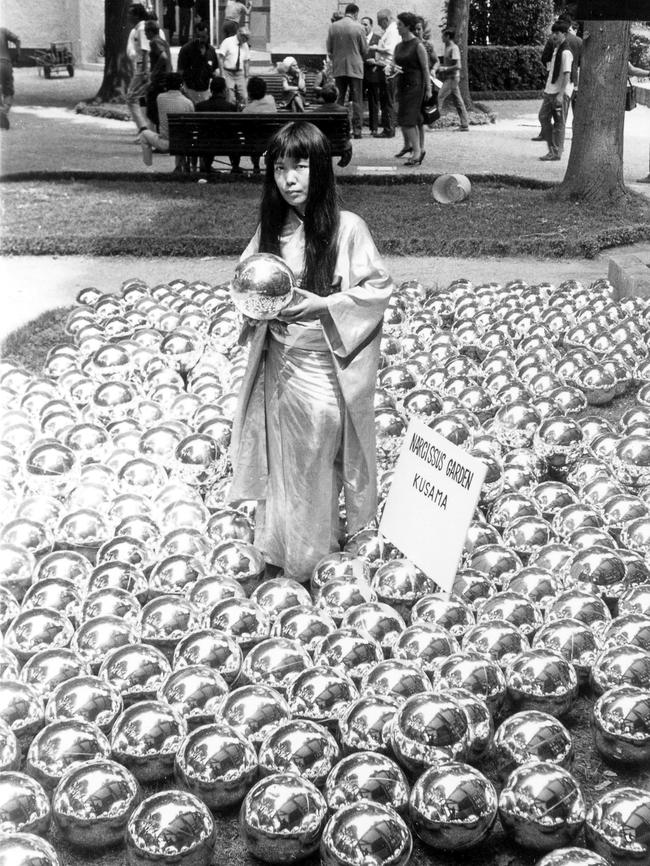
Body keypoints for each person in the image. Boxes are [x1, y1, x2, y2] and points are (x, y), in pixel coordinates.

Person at [228, 120, 393, 583]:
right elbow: (248, 281)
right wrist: (257, 309)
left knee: (315, 454)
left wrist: (326, 305)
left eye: (300, 167)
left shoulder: (349, 229)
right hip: (280, 363)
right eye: (280, 169)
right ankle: (281, 545)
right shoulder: (271, 228)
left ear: (319, 167)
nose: (289, 180)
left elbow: (377, 290)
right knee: (282, 460)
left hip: (323, 365)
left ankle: (311, 557)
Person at [532, 13, 582, 140]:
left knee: (551, 114)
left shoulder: (553, 40)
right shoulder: (578, 41)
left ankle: (546, 134)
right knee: (574, 111)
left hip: (558, 82)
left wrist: (552, 71)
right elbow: (582, 61)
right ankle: (576, 135)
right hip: (574, 80)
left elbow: (544, 58)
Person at [393, 12, 430, 165]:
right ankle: (418, 150)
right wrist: (391, 71)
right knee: (410, 119)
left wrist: (428, 89)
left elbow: (425, 68)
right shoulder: (398, 46)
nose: (397, 27)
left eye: (400, 25)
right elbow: (396, 65)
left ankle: (417, 152)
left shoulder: (418, 45)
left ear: (408, 26)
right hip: (402, 84)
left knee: (407, 120)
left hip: (415, 85)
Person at [326, 2, 367, 139]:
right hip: (355, 67)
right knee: (357, 100)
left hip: (339, 66)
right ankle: (357, 130)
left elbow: (329, 49)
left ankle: (339, 128)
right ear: (355, 13)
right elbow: (364, 50)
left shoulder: (333, 27)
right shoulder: (359, 27)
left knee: (339, 99)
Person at [140, 72, 194, 171]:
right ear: (181, 85)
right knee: (181, 134)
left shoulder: (160, 98)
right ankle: (179, 166)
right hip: (182, 143)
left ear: (166, 85)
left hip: (165, 142)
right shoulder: (188, 103)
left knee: (144, 134)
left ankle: (148, 166)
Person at [538, 20, 573, 161]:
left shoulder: (565, 52)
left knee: (559, 122)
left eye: (557, 33)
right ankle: (553, 148)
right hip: (550, 91)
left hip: (560, 93)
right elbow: (552, 72)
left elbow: (567, 74)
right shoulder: (556, 49)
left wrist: (560, 93)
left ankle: (556, 151)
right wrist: (547, 89)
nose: (554, 36)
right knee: (543, 117)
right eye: (553, 33)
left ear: (564, 34)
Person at [195, 75, 241, 174]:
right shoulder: (231, 108)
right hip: (228, 144)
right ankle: (235, 166)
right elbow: (235, 128)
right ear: (224, 90)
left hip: (205, 143)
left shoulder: (200, 106)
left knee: (207, 135)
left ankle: (207, 166)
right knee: (234, 137)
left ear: (211, 90)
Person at [370, 8, 400, 138]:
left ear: (386, 19)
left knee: (387, 100)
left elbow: (390, 50)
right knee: (386, 99)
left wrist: (376, 48)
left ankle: (389, 129)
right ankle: (388, 127)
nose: (378, 24)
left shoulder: (392, 31)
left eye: (379, 21)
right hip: (385, 68)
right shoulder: (390, 30)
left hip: (388, 70)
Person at [126, 3, 154, 136]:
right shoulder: (139, 28)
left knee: (131, 97)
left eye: (130, 14)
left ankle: (143, 129)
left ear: (136, 15)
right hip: (142, 66)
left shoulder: (142, 29)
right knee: (145, 98)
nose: (128, 16)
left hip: (142, 67)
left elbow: (145, 51)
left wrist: (143, 72)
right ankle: (148, 128)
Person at [177, 22, 219, 104]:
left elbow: (214, 71)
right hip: (189, 91)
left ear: (208, 36)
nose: (200, 40)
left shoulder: (211, 51)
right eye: (198, 36)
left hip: (205, 91)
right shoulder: (186, 49)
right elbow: (180, 71)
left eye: (203, 37)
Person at [243, 76, 277, 174]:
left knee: (253, 137)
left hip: (253, 144)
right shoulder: (271, 100)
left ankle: (256, 165)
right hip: (270, 142)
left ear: (249, 92)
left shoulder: (247, 110)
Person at [313, 84, 353, 167]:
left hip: (321, 146)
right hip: (340, 145)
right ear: (337, 96)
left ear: (322, 97)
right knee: (348, 143)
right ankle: (343, 162)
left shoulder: (316, 112)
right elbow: (348, 130)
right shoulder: (344, 110)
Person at [438, 28, 469, 131]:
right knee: (458, 101)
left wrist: (445, 68)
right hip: (449, 77)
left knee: (439, 96)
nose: (441, 37)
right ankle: (464, 125)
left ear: (447, 36)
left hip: (453, 78)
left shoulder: (454, 48)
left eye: (443, 36)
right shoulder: (447, 47)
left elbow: (458, 65)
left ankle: (432, 122)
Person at [144, 19, 172, 129]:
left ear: (151, 32)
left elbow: (163, 57)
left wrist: (153, 72)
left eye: (146, 31)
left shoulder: (154, 42)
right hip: (165, 79)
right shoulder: (163, 41)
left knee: (152, 110)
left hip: (159, 80)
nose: (145, 34)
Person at [218, 22, 250, 107]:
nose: (246, 41)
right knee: (230, 96)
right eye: (245, 38)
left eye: (247, 39)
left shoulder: (245, 45)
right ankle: (231, 114)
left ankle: (245, 114)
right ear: (239, 35)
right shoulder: (227, 41)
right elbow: (220, 58)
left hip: (239, 73)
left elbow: (246, 61)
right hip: (228, 72)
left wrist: (247, 75)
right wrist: (222, 74)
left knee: (244, 95)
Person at [361, 17, 381, 135]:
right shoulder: (359, 39)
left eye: (366, 24)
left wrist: (375, 61)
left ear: (371, 26)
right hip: (361, 73)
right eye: (362, 24)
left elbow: (382, 54)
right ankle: (357, 127)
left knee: (373, 101)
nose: (364, 27)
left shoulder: (378, 39)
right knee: (357, 100)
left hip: (374, 73)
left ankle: (374, 128)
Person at [0, 26, 20, 131]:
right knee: (8, 92)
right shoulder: (3, 30)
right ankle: (3, 111)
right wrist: (17, 55)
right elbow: (17, 39)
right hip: (5, 62)